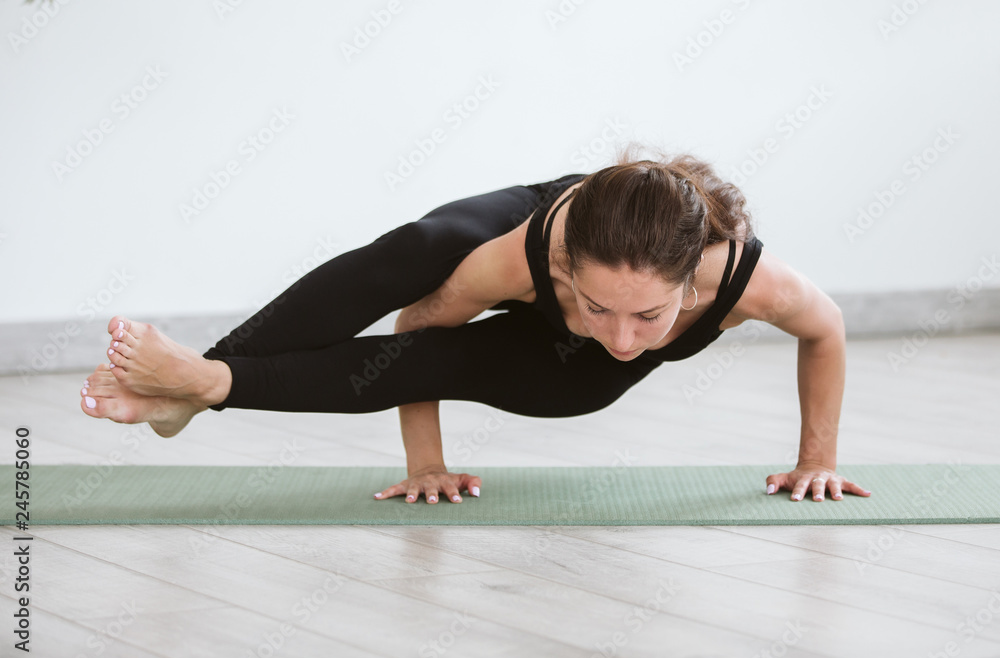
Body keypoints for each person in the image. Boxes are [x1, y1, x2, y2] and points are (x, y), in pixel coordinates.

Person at [79, 150, 871, 506]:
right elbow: (416, 329)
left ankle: (197, 389)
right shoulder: (523, 259)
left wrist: (818, 459)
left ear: (691, 287)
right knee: (419, 251)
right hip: (531, 226)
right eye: (598, 307)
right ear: (565, 274)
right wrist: (428, 461)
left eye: (650, 317)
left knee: (571, 381)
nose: (627, 338)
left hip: (567, 359)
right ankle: (205, 380)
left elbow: (826, 329)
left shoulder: (750, 281)